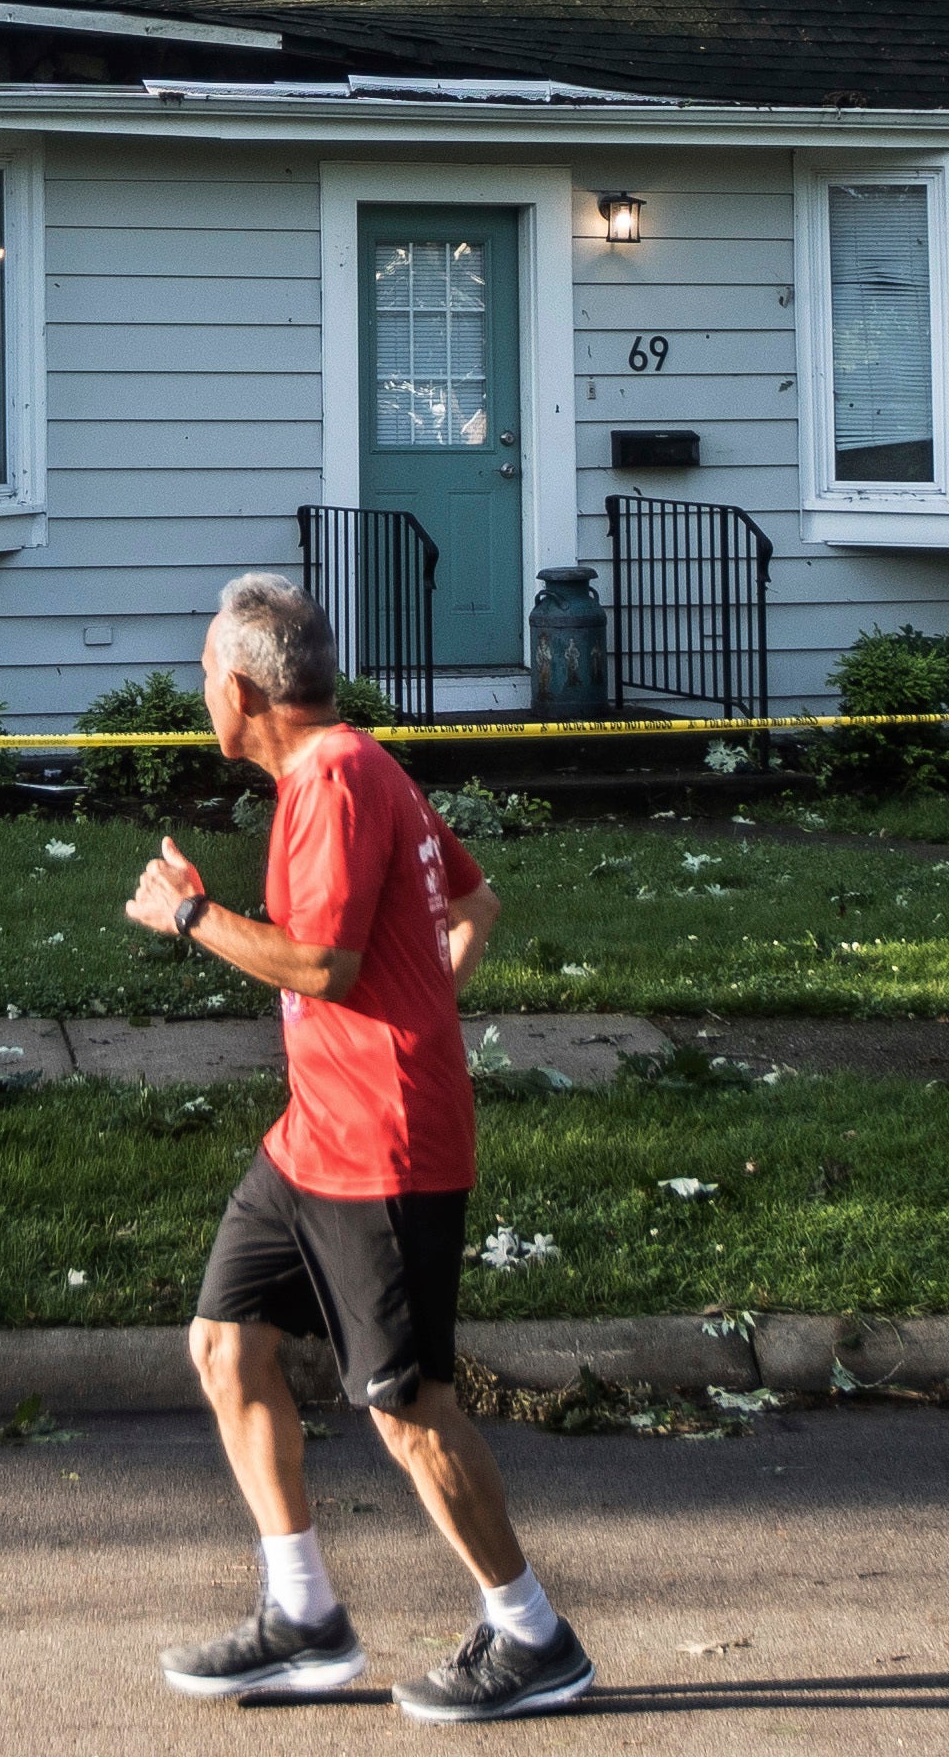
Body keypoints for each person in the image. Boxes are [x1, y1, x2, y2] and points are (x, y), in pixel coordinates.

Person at [121, 572, 591, 1724]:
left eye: (202, 680)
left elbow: (323, 965)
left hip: (380, 1144)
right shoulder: (358, 764)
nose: (201, 697)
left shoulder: (334, 779)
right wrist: (422, 1003)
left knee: (405, 1404)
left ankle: (533, 1634)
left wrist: (190, 916)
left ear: (240, 689)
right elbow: (472, 909)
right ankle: (304, 1617)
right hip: (310, 1139)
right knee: (227, 1346)